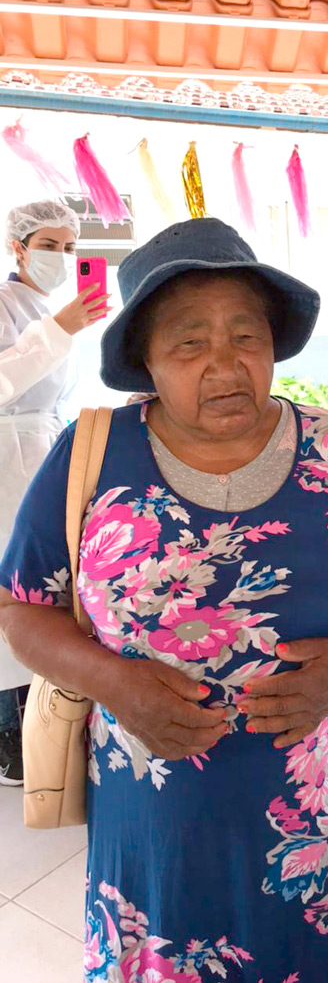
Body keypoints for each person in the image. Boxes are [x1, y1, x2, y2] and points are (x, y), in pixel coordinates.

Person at [0, 218, 328, 983]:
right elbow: (18, 607)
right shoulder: (93, 452)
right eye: (189, 343)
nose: (225, 364)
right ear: (147, 363)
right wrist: (116, 681)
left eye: (246, 337)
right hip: (154, 817)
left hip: (311, 815)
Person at [0, 200, 110, 786]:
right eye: (50, 244)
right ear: (18, 246)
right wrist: (60, 329)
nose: (63, 257)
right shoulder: (6, 304)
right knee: (11, 589)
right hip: (5, 460)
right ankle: (9, 733)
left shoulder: (48, 309)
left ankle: (44, 721)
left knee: (48, 589)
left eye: (71, 247)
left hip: (44, 454)